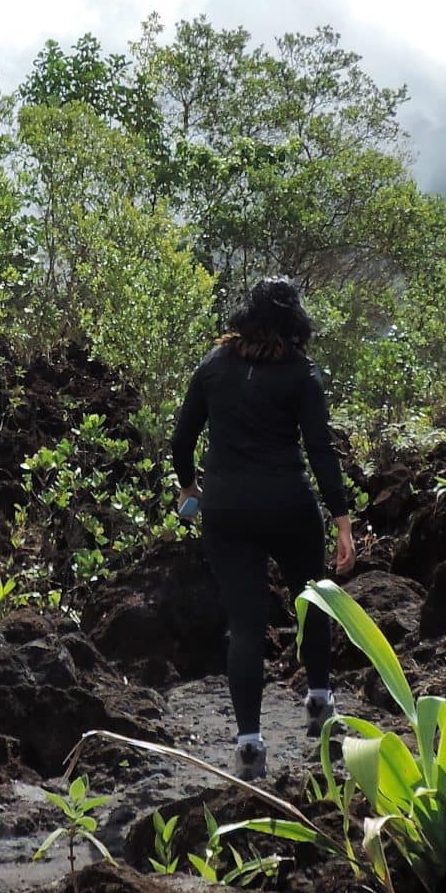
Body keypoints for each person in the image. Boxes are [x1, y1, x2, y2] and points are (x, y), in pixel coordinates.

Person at [169, 276, 355, 774]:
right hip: (289, 503)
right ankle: (319, 702)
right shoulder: (301, 373)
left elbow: (181, 442)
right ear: (296, 321)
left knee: (246, 625)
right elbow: (320, 449)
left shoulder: (213, 366)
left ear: (245, 315)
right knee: (311, 600)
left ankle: (249, 744)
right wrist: (341, 520)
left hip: (228, 508)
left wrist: (190, 489)